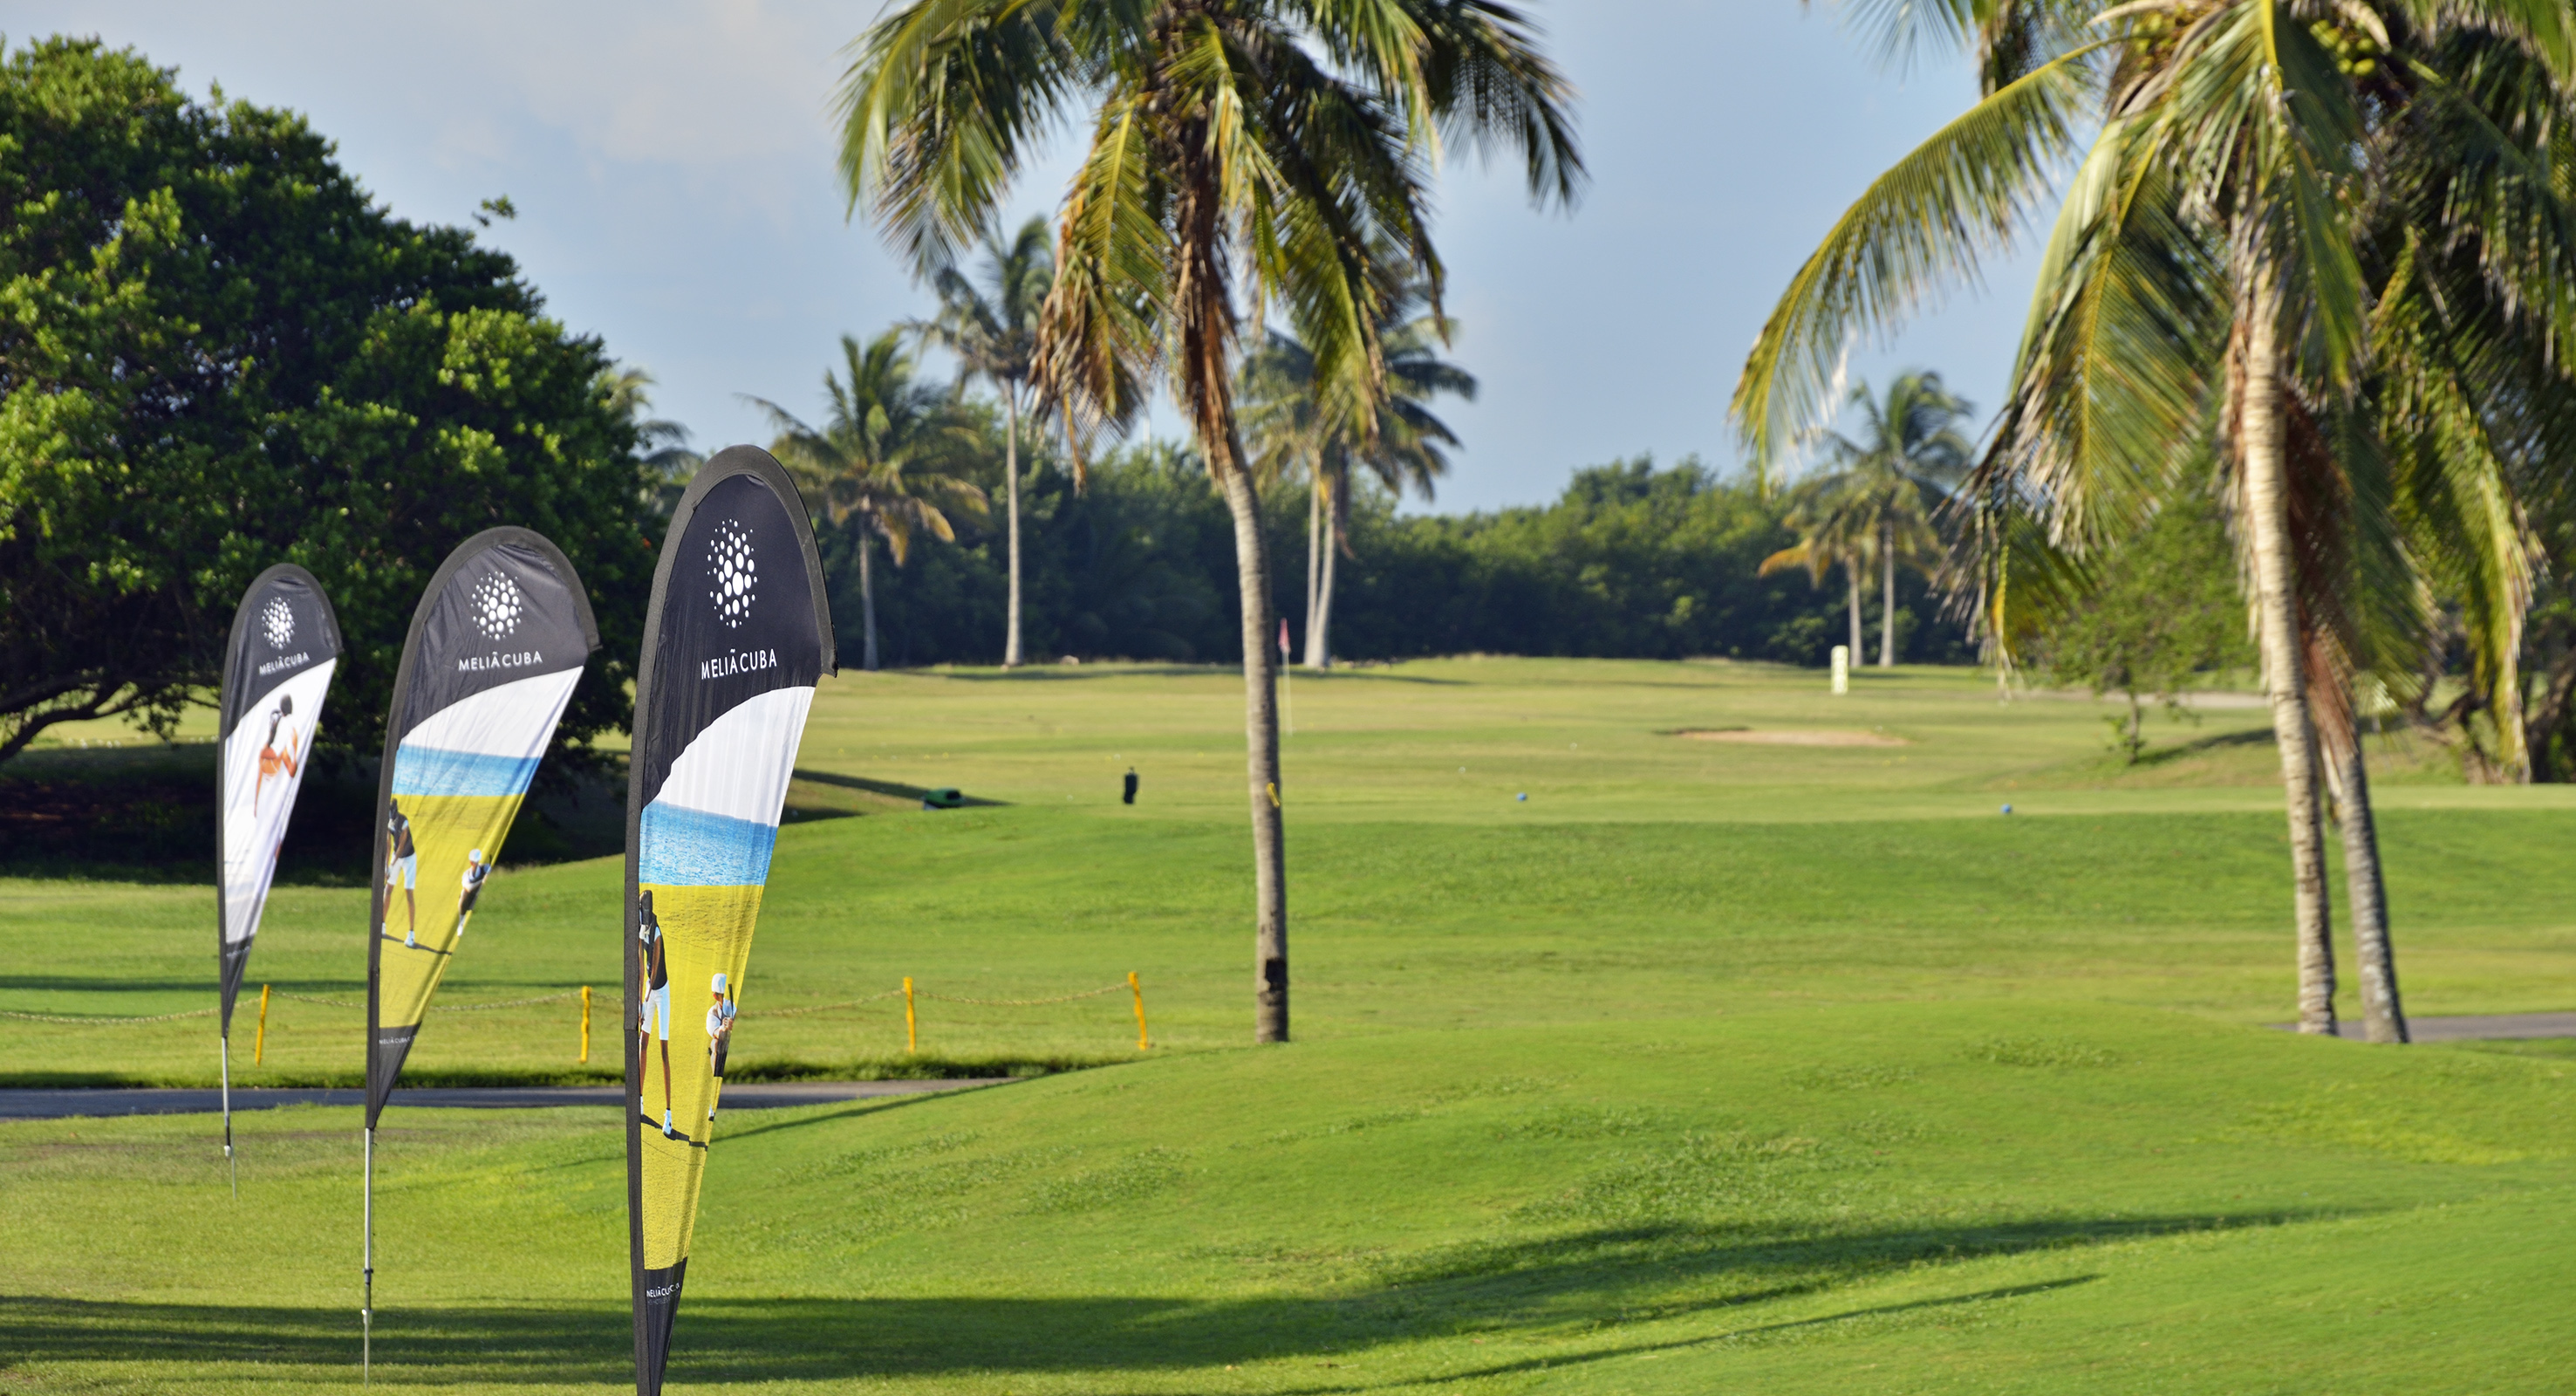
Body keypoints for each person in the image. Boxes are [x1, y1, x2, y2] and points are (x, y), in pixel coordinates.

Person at [636, 890, 674, 1138]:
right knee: (643, 1043)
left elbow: (656, 966)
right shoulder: (642, 931)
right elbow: (642, 968)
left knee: (663, 1049)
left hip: (662, 992)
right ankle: (639, 1103)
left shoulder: (657, 933)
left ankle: (668, 1114)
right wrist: (641, 1003)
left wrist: (648, 996)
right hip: (649, 992)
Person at [254, 696, 300, 813]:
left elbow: (259, 779)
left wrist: (256, 805)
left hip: (270, 801)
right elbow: (292, 771)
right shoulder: (277, 752)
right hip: (272, 802)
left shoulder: (268, 752)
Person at [704, 972, 737, 1125]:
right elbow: (717, 1034)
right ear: (715, 996)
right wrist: (725, 1029)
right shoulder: (713, 1013)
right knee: (715, 1044)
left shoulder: (735, 1007)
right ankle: (714, 1095)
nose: (726, 998)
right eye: (722, 995)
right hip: (721, 1046)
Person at [384, 800, 418, 947]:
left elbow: (402, 846)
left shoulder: (404, 821)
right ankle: (382, 925)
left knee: (408, 892)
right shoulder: (388, 822)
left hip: (409, 858)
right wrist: (386, 866)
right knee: (388, 889)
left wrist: (392, 864)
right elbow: (388, 843)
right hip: (396, 857)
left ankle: (411, 934)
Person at [453, 848, 491, 941]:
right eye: (475, 862)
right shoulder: (466, 875)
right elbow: (469, 888)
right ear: (471, 863)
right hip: (469, 900)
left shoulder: (484, 867)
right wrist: (482, 881)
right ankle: (461, 924)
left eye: (477, 861)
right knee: (463, 894)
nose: (477, 864)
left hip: (481, 898)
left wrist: (488, 875)